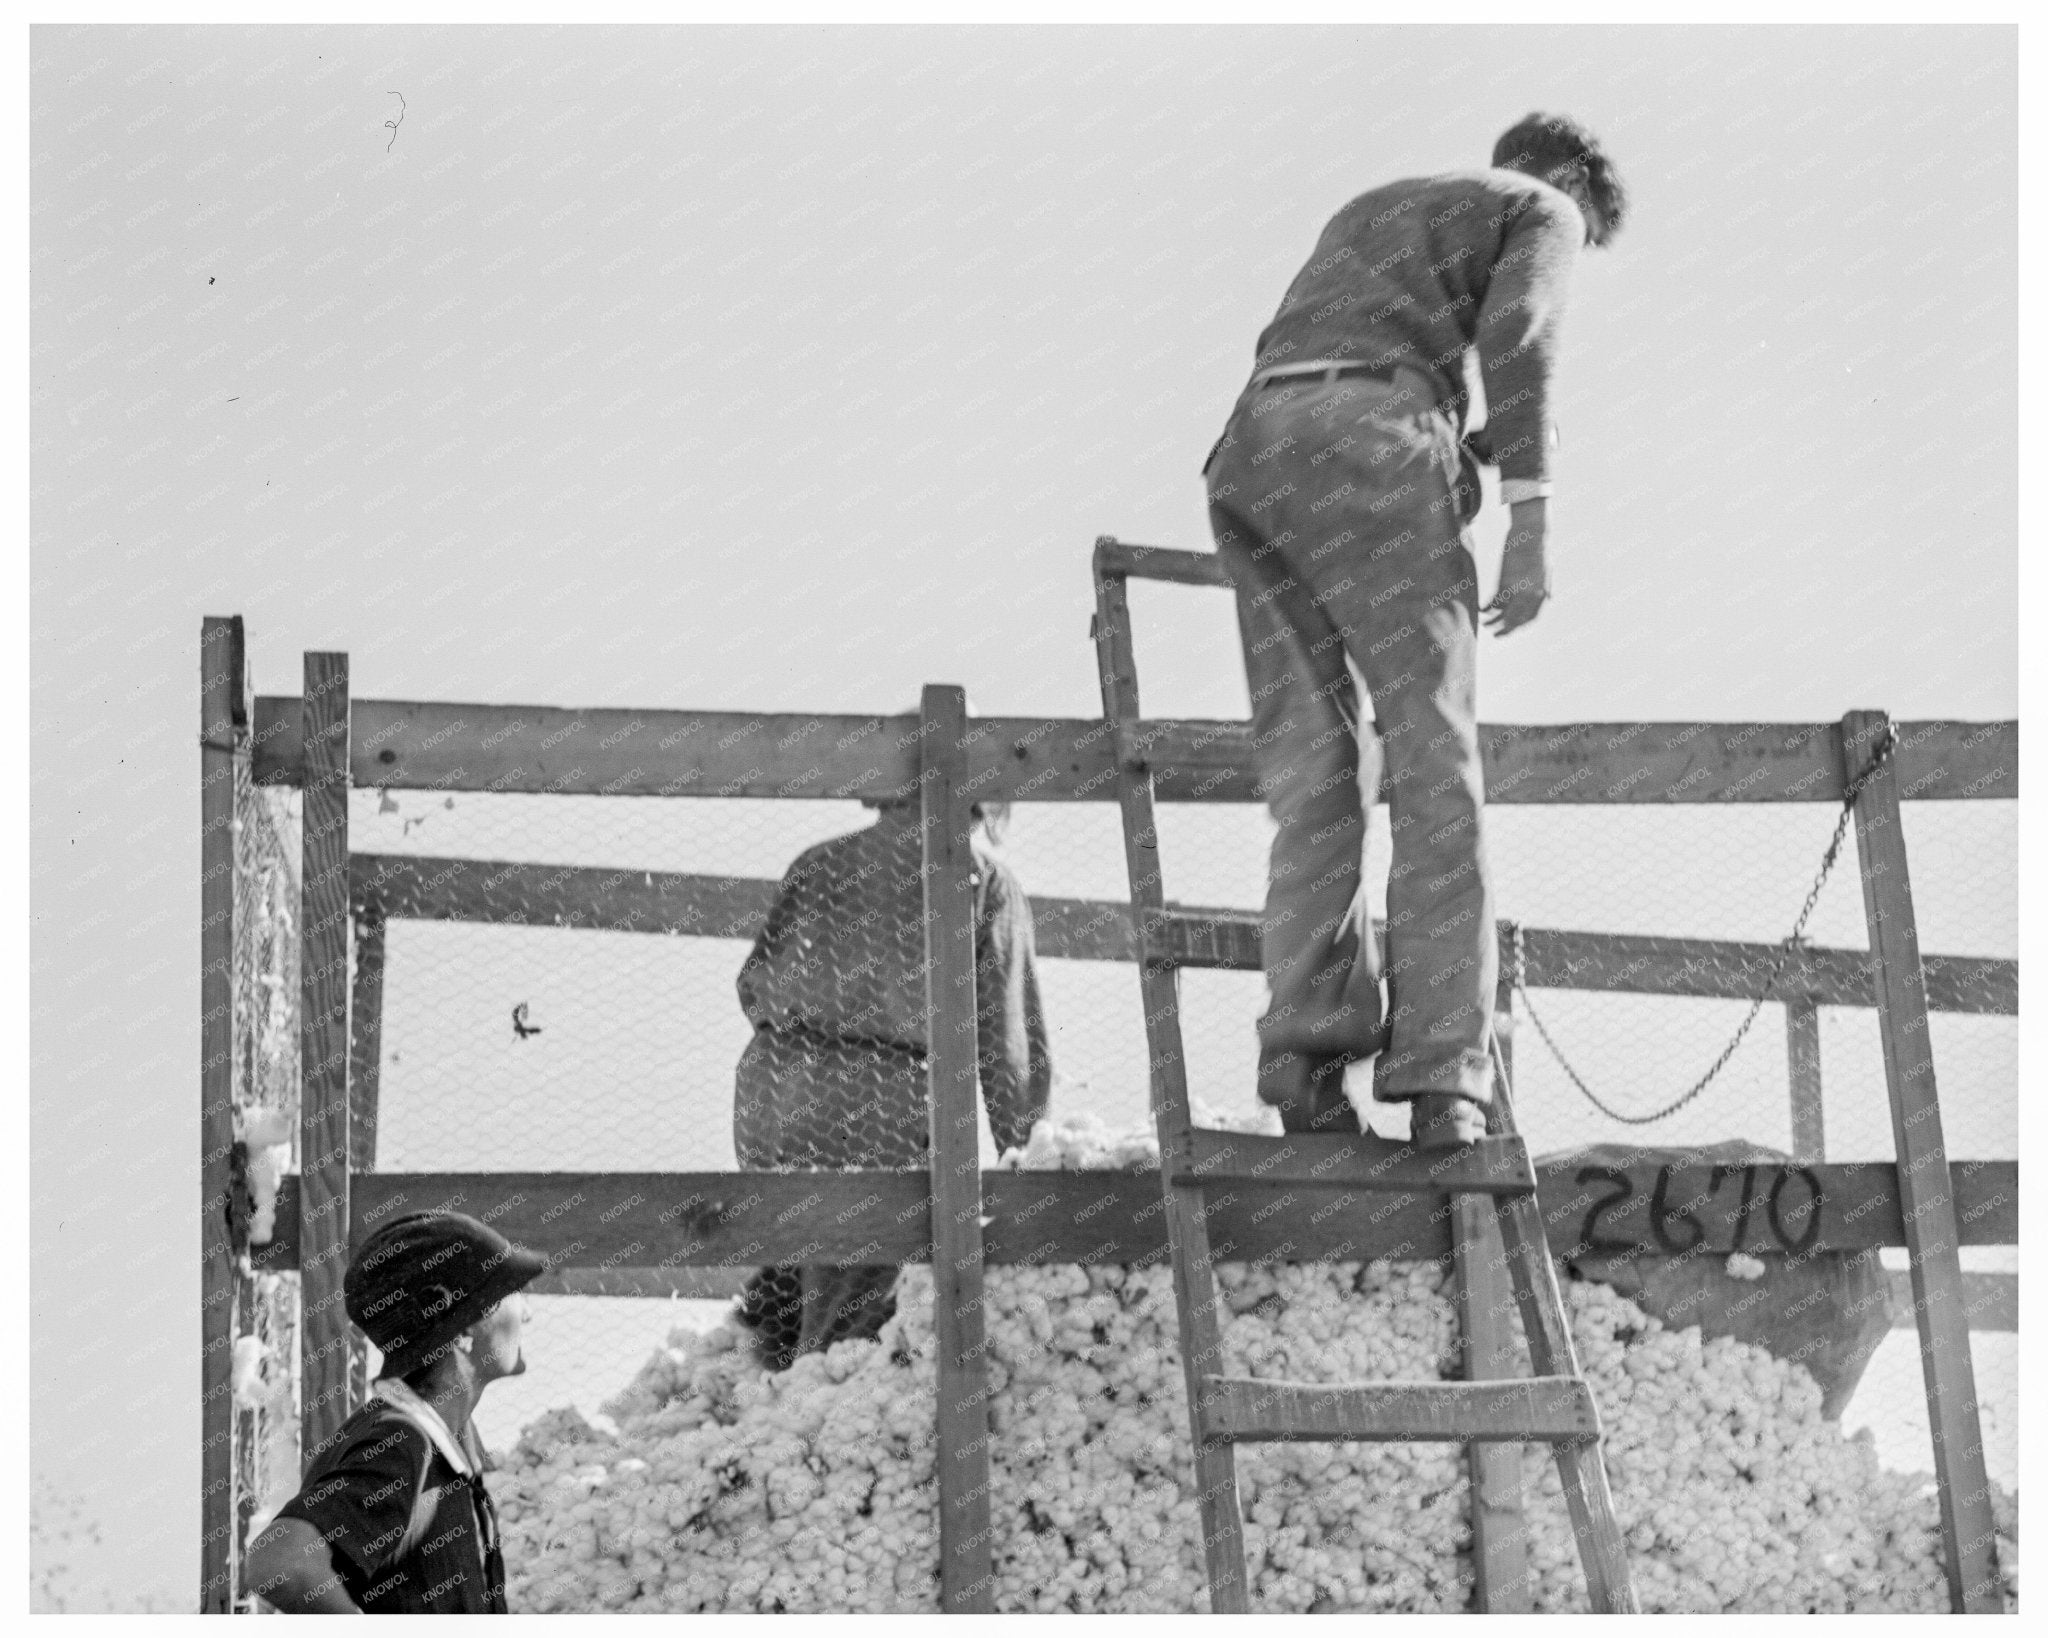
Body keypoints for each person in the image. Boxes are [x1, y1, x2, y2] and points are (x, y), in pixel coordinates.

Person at [1201, 112, 1628, 1148]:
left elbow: (1335, 348)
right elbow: (1517, 338)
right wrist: (1529, 515)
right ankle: (1442, 1074)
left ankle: (1301, 1068)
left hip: (1255, 448)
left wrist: (1460, 436)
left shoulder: (1380, 206)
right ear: (1568, 175)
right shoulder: (1545, 208)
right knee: (1436, 772)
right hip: (1382, 443)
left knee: (1314, 778)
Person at [731, 794, 1052, 1369]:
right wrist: (1027, 1158)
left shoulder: (819, 862)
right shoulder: (980, 879)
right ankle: (820, 1428)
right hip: (880, 1105)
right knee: (854, 1317)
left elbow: (755, 980)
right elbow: (1008, 1037)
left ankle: (775, 1410)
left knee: (798, 1279)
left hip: (778, 1092)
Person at [245, 1211, 547, 1613]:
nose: (526, 1312)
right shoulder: (401, 1443)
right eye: (510, 1291)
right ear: (460, 1329)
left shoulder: (442, 1445)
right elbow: (280, 1562)